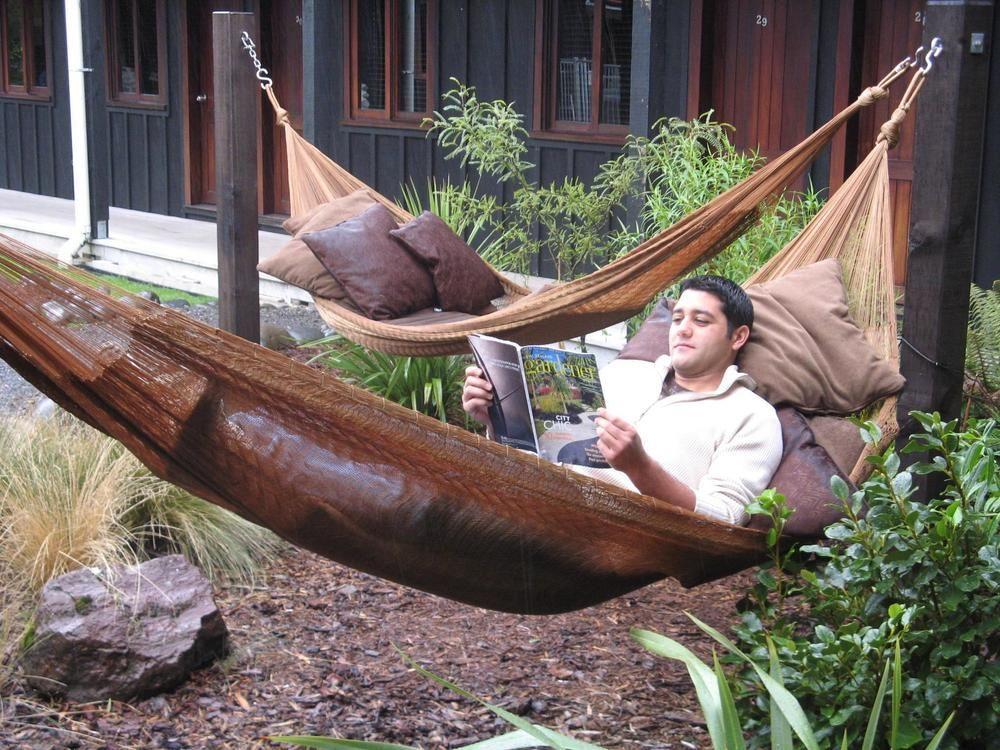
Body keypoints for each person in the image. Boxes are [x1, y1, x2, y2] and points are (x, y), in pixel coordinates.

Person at [462, 275, 783, 526]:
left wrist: (639, 468)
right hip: (536, 498)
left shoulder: (752, 416)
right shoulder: (626, 373)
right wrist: (495, 417)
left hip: (618, 531)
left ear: (738, 337)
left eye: (701, 321)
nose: (683, 330)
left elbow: (726, 517)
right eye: (678, 318)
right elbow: (548, 448)